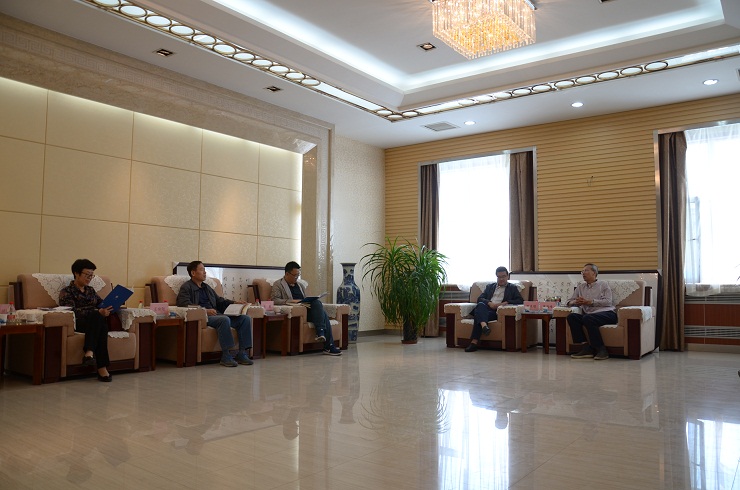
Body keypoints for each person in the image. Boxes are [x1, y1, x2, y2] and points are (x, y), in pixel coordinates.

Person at [176, 261, 253, 367]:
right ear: (193, 273)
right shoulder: (186, 287)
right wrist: (205, 310)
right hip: (205, 317)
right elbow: (184, 304)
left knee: (245, 319)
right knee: (224, 319)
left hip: (217, 314)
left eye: (204, 270)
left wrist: (235, 303)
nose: (205, 272)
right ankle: (226, 355)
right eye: (202, 270)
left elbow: (220, 301)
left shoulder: (207, 287)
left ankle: (242, 353)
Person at [58, 259, 114, 382]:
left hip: (94, 323)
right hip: (78, 323)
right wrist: (96, 312)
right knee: (98, 318)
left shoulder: (91, 290)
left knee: (100, 322)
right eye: (87, 275)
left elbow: (101, 304)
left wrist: (112, 305)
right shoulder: (66, 292)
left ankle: (89, 354)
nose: (89, 278)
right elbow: (71, 311)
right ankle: (101, 368)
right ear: (76, 273)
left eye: (91, 276)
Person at [272, 261, 342, 356]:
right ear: (287, 274)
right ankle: (328, 344)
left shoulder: (300, 285)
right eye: (295, 275)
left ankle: (323, 336)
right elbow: (274, 300)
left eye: (298, 275)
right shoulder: (278, 284)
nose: (296, 278)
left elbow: (305, 298)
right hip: (298, 312)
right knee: (323, 314)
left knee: (317, 304)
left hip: (307, 310)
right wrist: (291, 301)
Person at [464, 266, 524, 352]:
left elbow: (520, 300)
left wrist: (505, 303)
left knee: (478, 315)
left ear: (507, 276)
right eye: (499, 277)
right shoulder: (490, 287)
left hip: (497, 312)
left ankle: (474, 342)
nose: (501, 279)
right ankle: (484, 326)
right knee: (480, 305)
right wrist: (489, 303)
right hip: (486, 309)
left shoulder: (512, 288)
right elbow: (480, 298)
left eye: (503, 276)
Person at [567, 263, 617, 360]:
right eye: (582, 271)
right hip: (589, 315)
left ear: (594, 273)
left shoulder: (603, 284)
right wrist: (576, 302)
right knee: (572, 317)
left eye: (586, 270)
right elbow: (569, 301)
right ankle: (586, 348)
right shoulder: (580, 287)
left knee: (588, 318)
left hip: (607, 314)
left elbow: (608, 301)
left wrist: (590, 302)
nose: (583, 273)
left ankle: (601, 349)